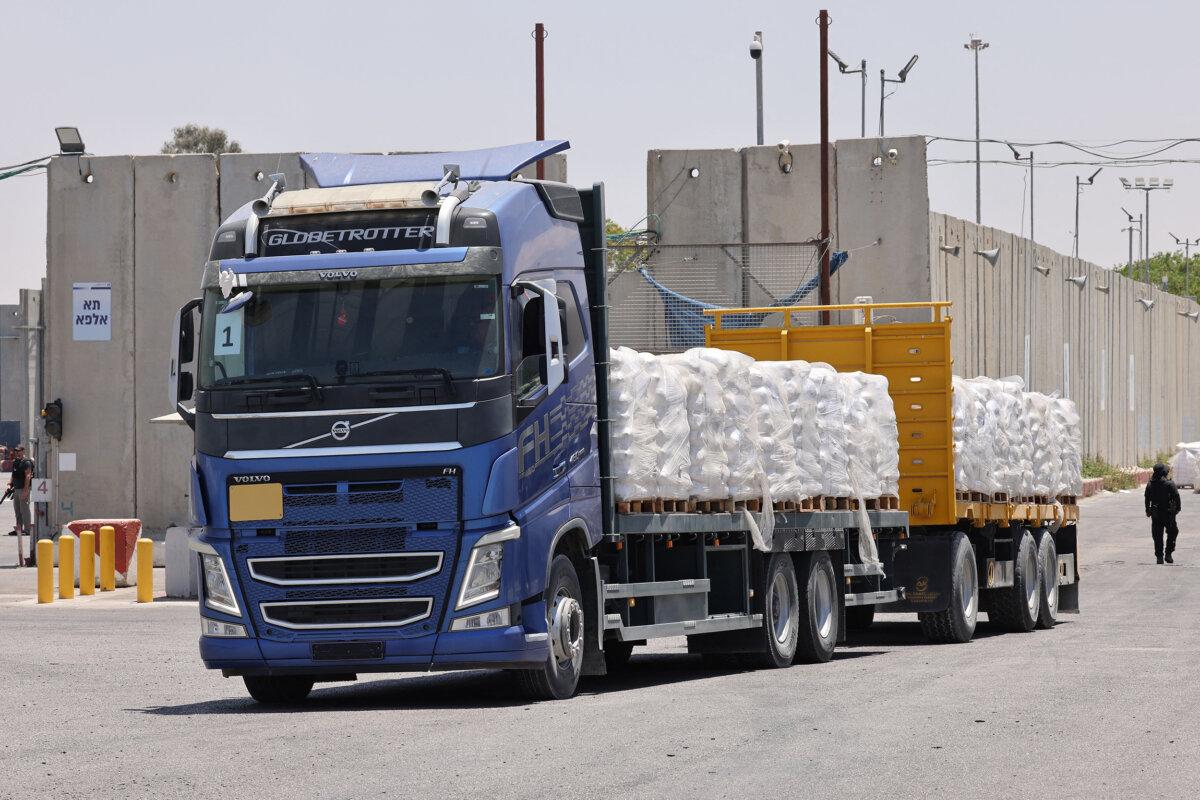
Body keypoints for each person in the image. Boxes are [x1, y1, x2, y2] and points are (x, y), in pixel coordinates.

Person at [1144, 462, 1181, 565]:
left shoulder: (1150, 484)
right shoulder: (1169, 484)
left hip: (1156, 514)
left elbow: (1147, 499)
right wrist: (1178, 509)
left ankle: (1159, 556)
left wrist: (1147, 510)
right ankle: (1168, 554)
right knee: (1172, 532)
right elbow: (1176, 497)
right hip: (1169, 514)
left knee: (1157, 535)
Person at [8, 446, 33, 567]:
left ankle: (27, 529)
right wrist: (10, 483)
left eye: (19, 451)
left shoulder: (26, 462)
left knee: (25, 510)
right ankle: (19, 528)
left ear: (23, 451)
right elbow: (13, 475)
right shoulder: (16, 462)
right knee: (17, 510)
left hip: (23, 489)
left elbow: (28, 476)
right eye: (16, 451)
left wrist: (26, 490)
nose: (17, 453)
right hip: (16, 489)